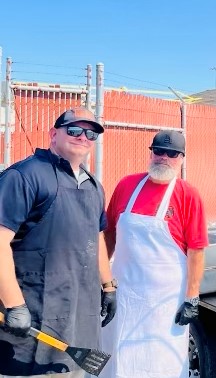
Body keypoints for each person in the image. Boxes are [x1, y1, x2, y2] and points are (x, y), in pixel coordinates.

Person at [0, 107, 116, 377]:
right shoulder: (24, 176)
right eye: (74, 130)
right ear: (53, 134)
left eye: (91, 133)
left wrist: (108, 286)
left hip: (79, 318)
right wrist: (14, 303)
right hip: (33, 318)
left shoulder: (94, 186)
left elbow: (96, 238)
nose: (83, 137)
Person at [100, 130, 208, 378]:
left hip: (165, 302)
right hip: (124, 295)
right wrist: (102, 279)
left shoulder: (188, 195)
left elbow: (196, 249)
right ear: (151, 153)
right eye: (158, 151)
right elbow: (109, 236)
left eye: (171, 153)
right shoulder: (127, 185)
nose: (163, 157)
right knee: (116, 357)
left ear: (181, 158)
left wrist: (192, 297)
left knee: (161, 363)